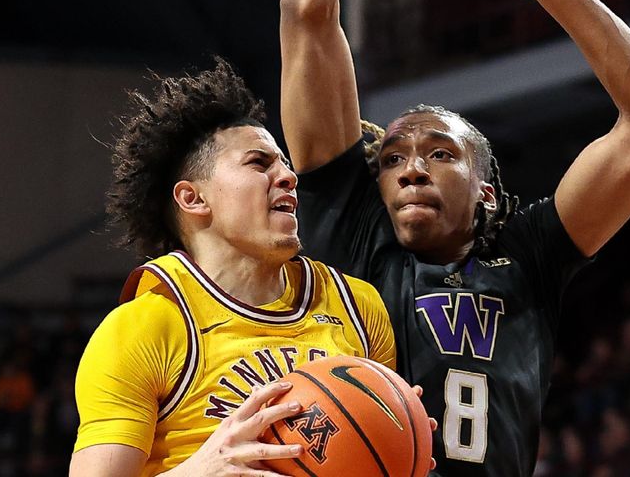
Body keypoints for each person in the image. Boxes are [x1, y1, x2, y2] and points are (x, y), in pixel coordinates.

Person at [279, 0, 630, 475]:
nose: (412, 169)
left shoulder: (529, 254)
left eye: (441, 155)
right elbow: (306, 7)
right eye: (392, 158)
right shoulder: (352, 228)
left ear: (487, 193)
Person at [69, 59, 397, 477]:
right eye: (259, 164)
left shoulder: (356, 303)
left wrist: (402, 444)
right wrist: (203, 470)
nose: (288, 176)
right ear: (193, 199)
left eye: (284, 163)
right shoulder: (145, 327)